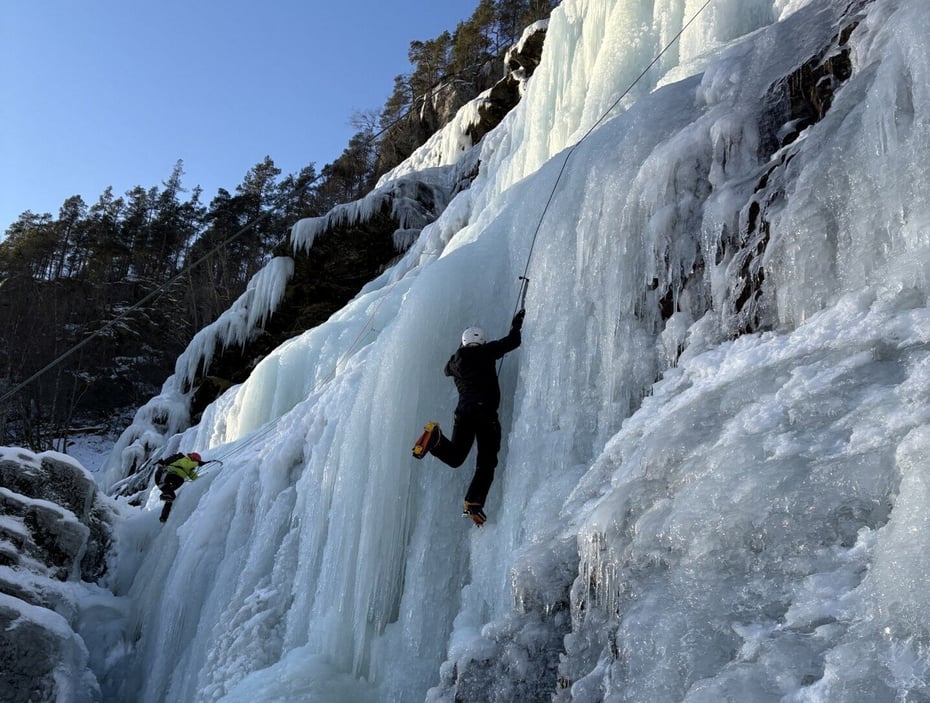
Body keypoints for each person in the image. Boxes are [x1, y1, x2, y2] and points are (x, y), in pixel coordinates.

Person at [413, 309, 525, 525]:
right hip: (485, 413)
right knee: (486, 462)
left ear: (463, 343)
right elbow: (513, 341)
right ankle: (473, 501)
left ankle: (435, 439)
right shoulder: (487, 351)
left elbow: (446, 370)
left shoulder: (454, 362)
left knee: (456, 457)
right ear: (481, 342)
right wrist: (516, 324)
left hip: (464, 414)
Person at [154, 452, 204, 523]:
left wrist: (203, 478)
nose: (195, 464)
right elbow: (186, 465)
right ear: (193, 459)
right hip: (162, 475)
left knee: (170, 497)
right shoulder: (185, 459)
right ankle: (164, 494)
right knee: (180, 480)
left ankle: (163, 517)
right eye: (196, 461)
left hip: (163, 482)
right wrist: (198, 463)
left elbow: (194, 477)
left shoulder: (188, 470)